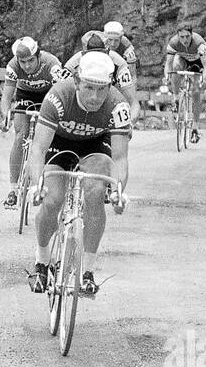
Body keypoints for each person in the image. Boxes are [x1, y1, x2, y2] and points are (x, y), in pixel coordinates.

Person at [25, 52, 130, 298]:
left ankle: (88, 272)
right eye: (89, 88)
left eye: (101, 90)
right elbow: (38, 148)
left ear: (110, 87)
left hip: (96, 145)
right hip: (58, 143)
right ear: (76, 82)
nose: (95, 97)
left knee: (95, 192)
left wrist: (117, 191)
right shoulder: (58, 97)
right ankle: (41, 262)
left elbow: (120, 158)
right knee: (53, 198)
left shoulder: (117, 105)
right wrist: (36, 184)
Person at [0, 36, 63, 209]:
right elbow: (6, 98)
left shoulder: (51, 63)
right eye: (23, 62)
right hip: (25, 95)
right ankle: (13, 189)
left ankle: (46, 179)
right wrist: (6, 116)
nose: (26, 66)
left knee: (52, 135)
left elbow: (63, 93)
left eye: (30, 61)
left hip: (49, 95)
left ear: (38, 55)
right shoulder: (13, 66)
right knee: (20, 135)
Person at [60, 30, 138, 113]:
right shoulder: (72, 66)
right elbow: (60, 96)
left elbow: (132, 102)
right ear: (83, 54)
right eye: (91, 54)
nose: (97, 59)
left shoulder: (119, 64)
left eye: (101, 54)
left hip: (111, 106)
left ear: (108, 52)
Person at [163, 22, 206, 143]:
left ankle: (195, 128)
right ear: (178, 36)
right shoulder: (173, 42)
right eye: (182, 37)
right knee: (174, 67)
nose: (185, 39)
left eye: (187, 36)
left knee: (196, 92)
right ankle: (176, 99)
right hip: (183, 60)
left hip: (197, 63)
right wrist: (167, 76)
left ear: (192, 34)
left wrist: (203, 79)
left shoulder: (199, 43)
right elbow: (168, 64)